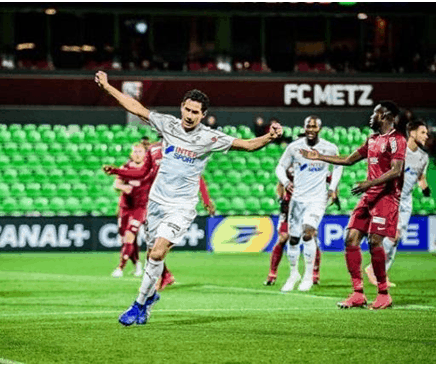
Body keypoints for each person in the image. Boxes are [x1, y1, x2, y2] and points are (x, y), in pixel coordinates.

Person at [95, 70, 282, 326]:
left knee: (158, 253)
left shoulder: (209, 137)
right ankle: (149, 300)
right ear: (181, 107)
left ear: (203, 115)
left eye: (196, 112)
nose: (190, 115)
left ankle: (138, 304)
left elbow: (247, 144)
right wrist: (107, 87)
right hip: (156, 203)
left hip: (181, 207)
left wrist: (269, 137)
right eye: (187, 109)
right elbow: (136, 107)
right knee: (152, 255)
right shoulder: (168, 125)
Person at [301, 101, 405, 310]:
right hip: (369, 196)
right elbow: (349, 160)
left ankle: (384, 294)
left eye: (374, 113)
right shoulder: (372, 140)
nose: (370, 117)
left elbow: (397, 170)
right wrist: (319, 156)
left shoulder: (397, 140)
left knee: (375, 241)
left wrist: (369, 183)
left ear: (385, 115)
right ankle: (358, 293)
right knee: (351, 239)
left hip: (387, 196)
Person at [106, 136, 216, 290]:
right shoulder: (155, 155)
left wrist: (206, 199)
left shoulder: (182, 156)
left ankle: (154, 278)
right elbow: (142, 172)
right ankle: (164, 276)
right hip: (156, 205)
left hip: (175, 205)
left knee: (155, 246)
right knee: (154, 247)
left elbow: (197, 177)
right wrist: (116, 171)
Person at [275, 116, 342, 292]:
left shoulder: (329, 148)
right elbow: (280, 167)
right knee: (294, 238)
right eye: (308, 126)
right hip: (297, 199)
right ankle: (293, 274)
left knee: (308, 233)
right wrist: (285, 182)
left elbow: (338, 166)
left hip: (317, 199)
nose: (310, 129)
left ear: (319, 128)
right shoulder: (294, 147)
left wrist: (332, 187)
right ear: (304, 128)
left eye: (314, 126)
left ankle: (308, 276)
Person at [365, 119, 430, 286]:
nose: (426, 135)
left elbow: (420, 177)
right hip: (391, 197)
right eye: (423, 132)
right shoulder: (398, 151)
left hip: (406, 202)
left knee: (396, 238)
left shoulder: (423, 157)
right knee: (393, 236)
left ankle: (381, 273)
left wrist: (424, 188)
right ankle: (374, 269)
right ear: (412, 133)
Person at [111, 143, 151, 278]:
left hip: (140, 208)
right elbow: (116, 184)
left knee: (130, 234)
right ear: (131, 153)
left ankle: (120, 268)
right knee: (127, 238)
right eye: (135, 151)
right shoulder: (125, 167)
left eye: (140, 151)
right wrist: (124, 188)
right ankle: (137, 264)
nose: (138, 154)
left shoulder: (149, 169)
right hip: (125, 207)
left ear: (145, 154)